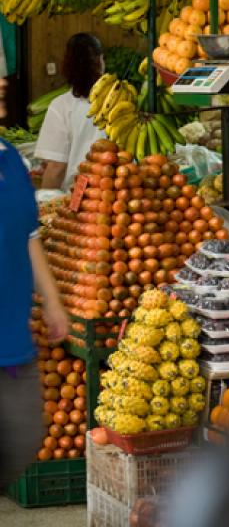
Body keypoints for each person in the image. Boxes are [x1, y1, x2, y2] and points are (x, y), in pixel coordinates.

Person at [0, 75, 69, 490]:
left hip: (13, 340)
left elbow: (29, 237)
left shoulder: (10, 158)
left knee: (24, 436)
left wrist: (53, 301)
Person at [35, 33, 106, 191]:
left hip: (77, 197)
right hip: (120, 193)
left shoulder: (61, 106)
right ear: (100, 61)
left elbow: (56, 168)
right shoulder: (121, 102)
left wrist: (44, 202)